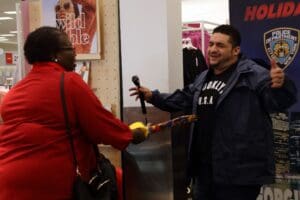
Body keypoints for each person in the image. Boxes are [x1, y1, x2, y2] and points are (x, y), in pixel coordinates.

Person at [130, 24, 297, 200]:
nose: (212, 49)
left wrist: (282, 86)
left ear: (235, 50)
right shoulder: (204, 77)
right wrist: (152, 96)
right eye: (211, 44)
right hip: (204, 171)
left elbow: (278, 102)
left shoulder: (253, 74)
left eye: (220, 45)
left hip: (238, 174)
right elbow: (183, 98)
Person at [0, 26, 148, 200]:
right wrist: (130, 134)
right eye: (70, 48)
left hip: (8, 180)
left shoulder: (15, 92)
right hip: (53, 180)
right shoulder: (69, 82)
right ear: (54, 55)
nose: (75, 53)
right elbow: (101, 126)